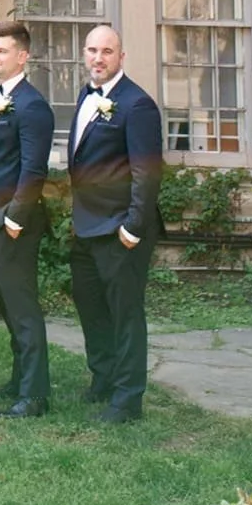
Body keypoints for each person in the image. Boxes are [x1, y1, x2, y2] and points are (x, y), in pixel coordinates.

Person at [67, 24, 163, 425]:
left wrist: (133, 226)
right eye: (92, 50)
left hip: (120, 229)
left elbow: (147, 173)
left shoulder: (136, 105)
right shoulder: (86, 96)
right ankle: (103, 379)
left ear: (121, 57)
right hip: (86, 225)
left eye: (107, 51)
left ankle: (128, 399)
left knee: (125, 315)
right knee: (92, 309)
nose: (98, 58)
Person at [0, 20, 54, 418]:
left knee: (22, 308)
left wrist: (14, 219)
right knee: (8, 306)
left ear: (22, 56)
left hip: (13, 224)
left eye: (2, 50)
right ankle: (20, 378)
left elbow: (33, 170)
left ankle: (35, 395)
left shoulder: (32, 105)